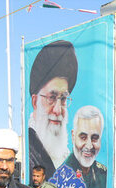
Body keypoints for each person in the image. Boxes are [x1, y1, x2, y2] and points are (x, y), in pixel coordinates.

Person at [28, 40, 78, 179]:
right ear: (35, 102)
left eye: (62, 99)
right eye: (51, 97)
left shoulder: (65, 154)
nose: (57, 110)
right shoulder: (30, 153)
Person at [61, 105, 107, 188]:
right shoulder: (62, 176)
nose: (89, 146)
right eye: (83, 137)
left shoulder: (104, 174)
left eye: (95, 138)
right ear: (73, 136)